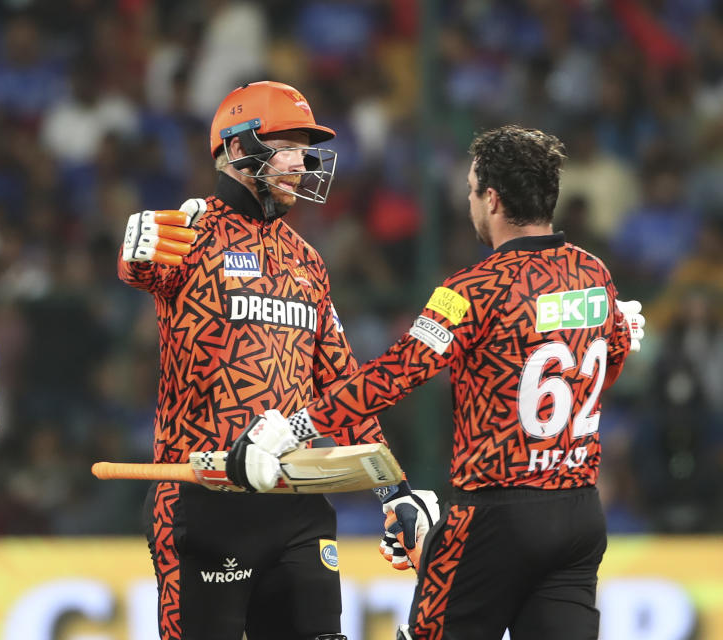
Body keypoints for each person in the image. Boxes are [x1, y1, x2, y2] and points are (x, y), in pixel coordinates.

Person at [228, 125, 647, 640]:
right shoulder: (594, 274)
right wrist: (621, 330)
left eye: (473, 190)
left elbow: (392, 376)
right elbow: (604, 369)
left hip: (494, 516)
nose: (471, 202)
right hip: (578, 512)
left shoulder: (470, 291)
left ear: (491, 199)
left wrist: (293, 428)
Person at [118, 80, 419, 640]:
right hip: (204, 499)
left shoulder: (308, 260)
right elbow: (143, 268)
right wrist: (133, 253)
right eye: (286, 144)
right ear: (237, 149)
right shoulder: (190, 232)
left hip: (297, 505)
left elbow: (346, 388)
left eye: (305, 148)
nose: (301, 162)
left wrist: (393, 490)